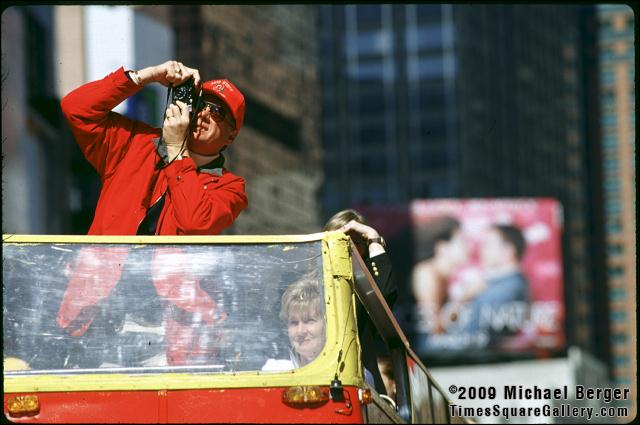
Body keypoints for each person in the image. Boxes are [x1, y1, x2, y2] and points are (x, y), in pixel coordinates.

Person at [56, 61, 248, 362]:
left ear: (231, 135)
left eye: (218, 111)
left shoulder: (231, 188)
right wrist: (147, 76)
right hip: (95, 317)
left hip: (166, 336)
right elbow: (75, 108)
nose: (204, 114)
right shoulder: (136, 143)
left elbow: (195, 221)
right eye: (201, 104)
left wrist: (177, 153)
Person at [323, 209, 397, 397]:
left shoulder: (361, 289)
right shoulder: (310, 286)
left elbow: (386, 294)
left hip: (357, 386)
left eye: (353, 242)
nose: (344, 247)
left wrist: (373, 239)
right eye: (338, 240)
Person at [411, 216, 470, 335]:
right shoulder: (426, 274)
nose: (467, 246)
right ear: (442, 247)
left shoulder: (446, 275)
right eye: (461, 241)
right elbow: (432, 328)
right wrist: (464, 298)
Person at [262, 274, 326, 370]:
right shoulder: (275, 370)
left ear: (327, 324)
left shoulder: (345, 371)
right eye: (294, 323)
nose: (300, 331)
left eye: (309, 321)